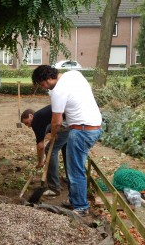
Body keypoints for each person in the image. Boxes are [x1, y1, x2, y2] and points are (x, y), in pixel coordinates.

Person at [32, 65, 102, 216]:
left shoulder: (57, 91)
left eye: (42, 84)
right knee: (74, 167)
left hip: (82, 130)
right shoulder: (74, 74)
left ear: (47, 78)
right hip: (94, 126)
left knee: (75, 170)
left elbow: (56, 121)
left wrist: (53, 134)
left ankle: (81, 208)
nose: (44, 88)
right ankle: (75, 200)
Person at [21, 105, 68, 196]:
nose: (28, 126)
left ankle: (54, 187)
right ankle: (70, 178)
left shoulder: (36, 121)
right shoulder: (42, 117)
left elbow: (40, 146)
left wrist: (40, 162)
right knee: (65, 148)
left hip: (65, 124)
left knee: (50, 150)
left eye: (26, 123)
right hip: (71, 122)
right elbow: (45, 133)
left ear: (31, 116)